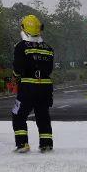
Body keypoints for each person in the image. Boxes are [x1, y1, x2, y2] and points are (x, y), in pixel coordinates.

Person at [11, 14, 55, 153]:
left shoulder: (21, 46)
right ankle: (46, 144)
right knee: (42, 115)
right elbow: (50, 68)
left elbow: (18, 68)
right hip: (46, 86)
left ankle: (22, 144)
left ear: (24, 28)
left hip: (28, 86)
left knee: (18, 114)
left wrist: (15, 76)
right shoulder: (48, 48)